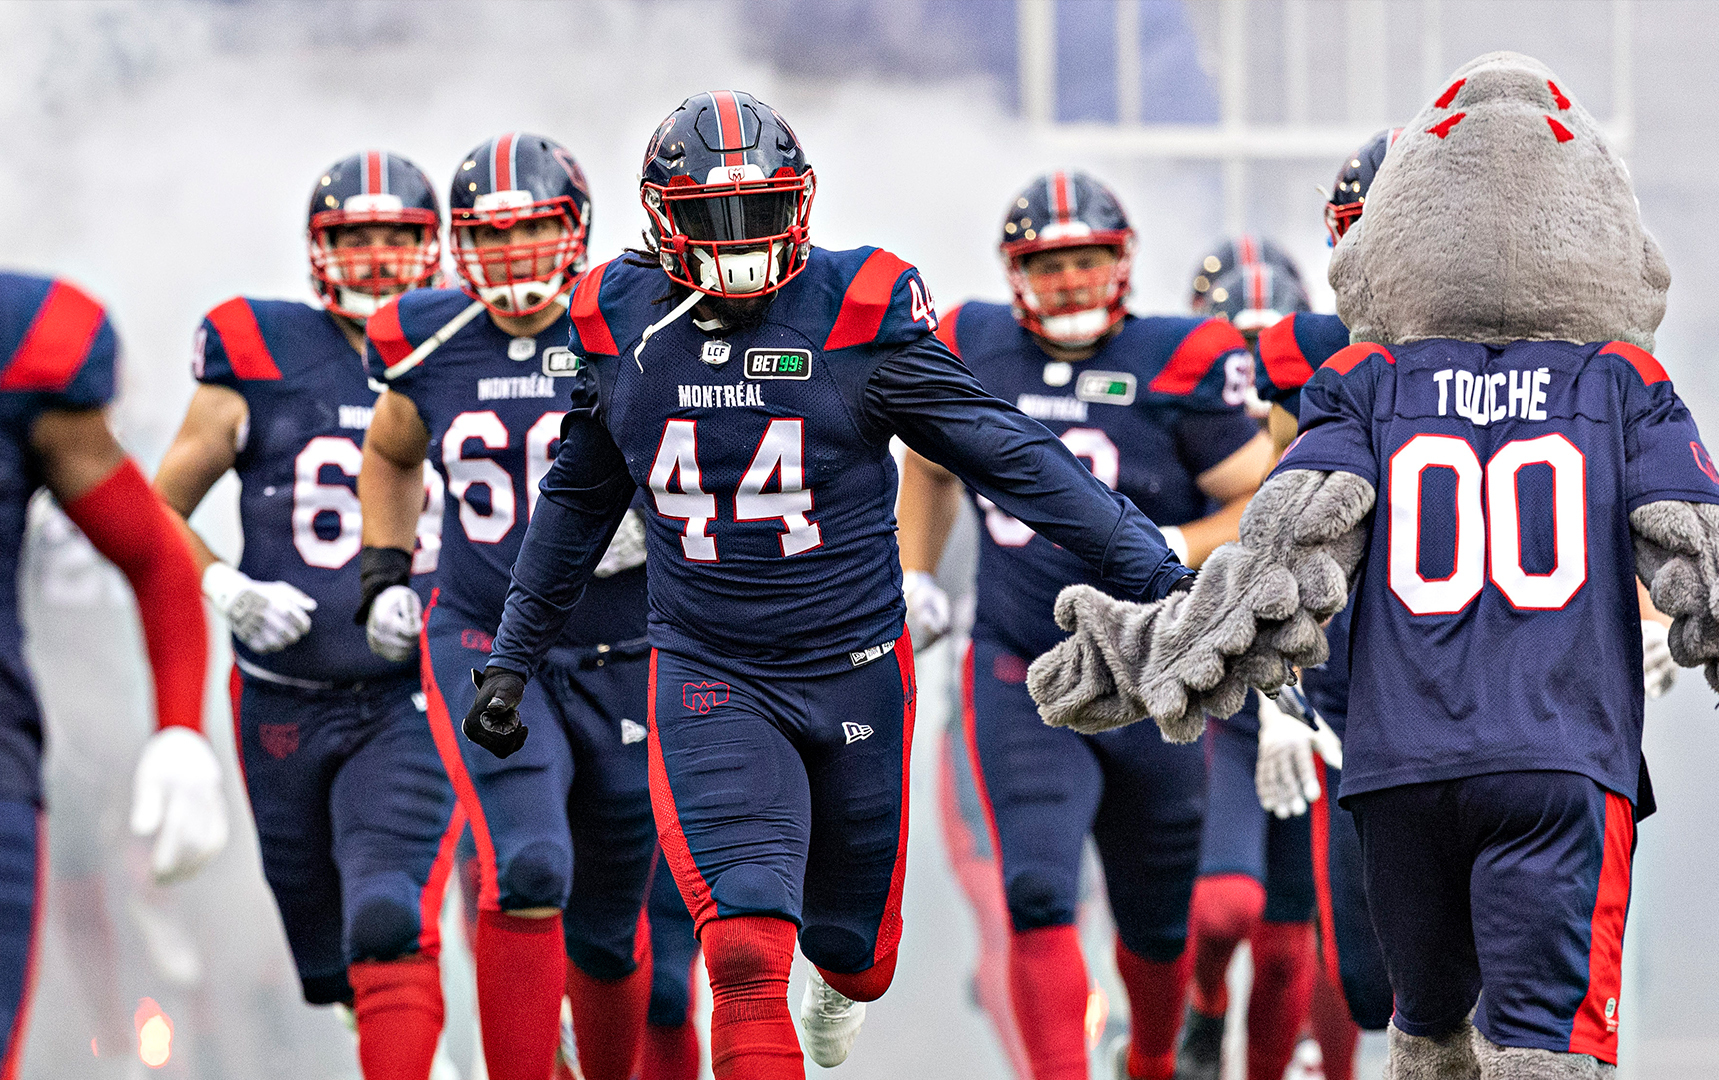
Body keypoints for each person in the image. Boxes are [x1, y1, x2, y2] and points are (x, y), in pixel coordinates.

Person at [1029, 52, 1719, 1078]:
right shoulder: (1378, 364)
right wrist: (1281, 696)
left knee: (1453, 1012)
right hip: (1375, 704)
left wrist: (1648, 620)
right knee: (1382, 988)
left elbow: (1285, 552)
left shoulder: (1378, 373)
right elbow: (1288, 529)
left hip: (1431, 725)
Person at [466, 91, 1192, 1080]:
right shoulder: (618, 318)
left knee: (856, 955)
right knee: (742, 944)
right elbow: (576, 500)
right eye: (713, 218)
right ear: (659, 217)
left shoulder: (859, 312)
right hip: (708, 668)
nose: (738, 241)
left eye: (760, 212)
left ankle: (839, 979)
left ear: (801, 205)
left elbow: (1011, 453)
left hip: (852, 669)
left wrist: (1156, 571)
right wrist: (512, 655)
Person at [895, 172, 1267, 1080]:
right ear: (1016, 271)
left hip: (1155, 673)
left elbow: (1263, 498)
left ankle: (1148, 1060)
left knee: (1158, 916)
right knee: (1035, 890)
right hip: (1021, 668)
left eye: (1085, 259)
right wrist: (913, 572)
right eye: (1048, 263)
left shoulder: (1183, 358)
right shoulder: (974, 345)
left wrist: (1173, 538)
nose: (1068, 281)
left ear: (1122, 260)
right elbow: (931, 464)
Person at [355, 131, 696, 1080]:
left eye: (533, 231)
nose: (514, 257)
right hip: (487, 636)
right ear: (461, 245)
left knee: (608, 926)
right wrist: (385, 568)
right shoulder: (428, 336)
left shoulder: (637, 321)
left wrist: (656, 515)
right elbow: (391, 449)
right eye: (492, 237)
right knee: (530, 863)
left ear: (576, 228)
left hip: (630, 647)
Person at [151, 151, 458, 1080]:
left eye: (395, 239)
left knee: (388, 914)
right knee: (327, 965)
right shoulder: (258, 348)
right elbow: (154, 512)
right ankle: (387, 1026)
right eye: (353, 239)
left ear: (432, 249)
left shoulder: (464, 344)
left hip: (412, 691)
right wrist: (223, 588)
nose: (372, 260)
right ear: (318, 249)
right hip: (281, 699)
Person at [0, 270, 225, 1073]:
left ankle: (150, 1034)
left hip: (39, 732)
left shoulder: (30, 346)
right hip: (65, 698)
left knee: (118, 873)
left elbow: (156, 564)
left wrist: (175, 731)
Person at [1172, 235, 1352, 1080]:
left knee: (1297, 945)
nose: (1248, 378)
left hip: (1322, 691)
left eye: (1263, 351)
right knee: (1222, 908)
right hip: (1224, 695)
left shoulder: (1338, 415)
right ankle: (1204, 1008)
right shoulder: (1186, 425)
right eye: (1232, 350)